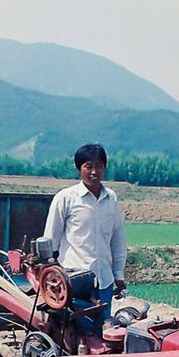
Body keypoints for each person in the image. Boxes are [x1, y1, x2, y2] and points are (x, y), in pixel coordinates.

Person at [43, 143, 127, 333]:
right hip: (75, 281)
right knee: (75, 332)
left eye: (99, 166)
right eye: (88, 166)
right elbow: (51, 239)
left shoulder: (111, 198)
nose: (94, 171)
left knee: (104, 333)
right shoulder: (66, 198)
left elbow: (117, 240)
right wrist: (50, 274)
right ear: (79, 168)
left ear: (105, 167)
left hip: (104, 280)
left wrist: (118, 275)